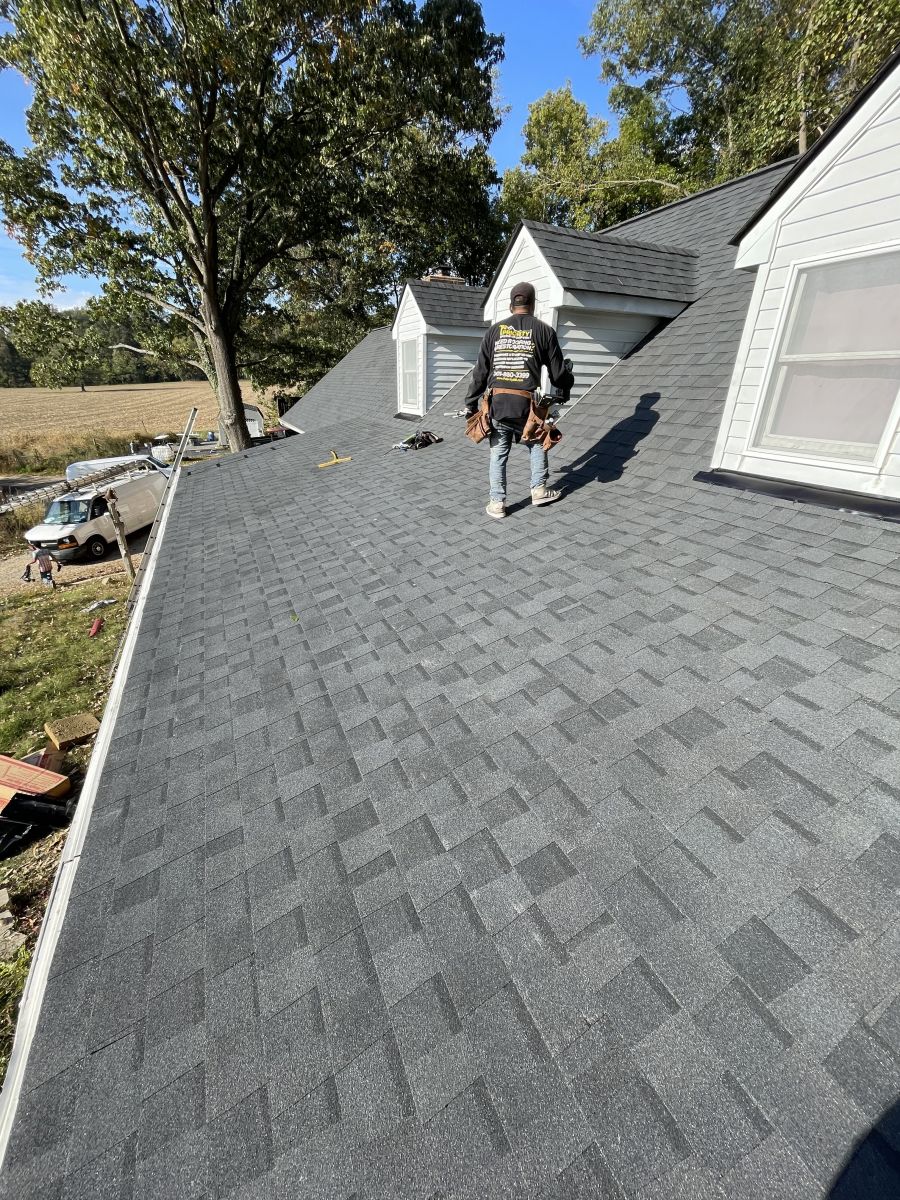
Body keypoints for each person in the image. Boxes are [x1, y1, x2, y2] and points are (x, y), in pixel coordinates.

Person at [465, 281, 574, 519]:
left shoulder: (494, 332)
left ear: (510, 304)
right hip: (526, 406)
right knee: (535, 441)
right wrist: (568, 380)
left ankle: (497, 503)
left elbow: (480, 373)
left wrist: (470, 404)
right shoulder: (544, 331)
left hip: (498, 404)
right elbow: (558, 375)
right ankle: (539, 490)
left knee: (498, 452)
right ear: (533, 304)